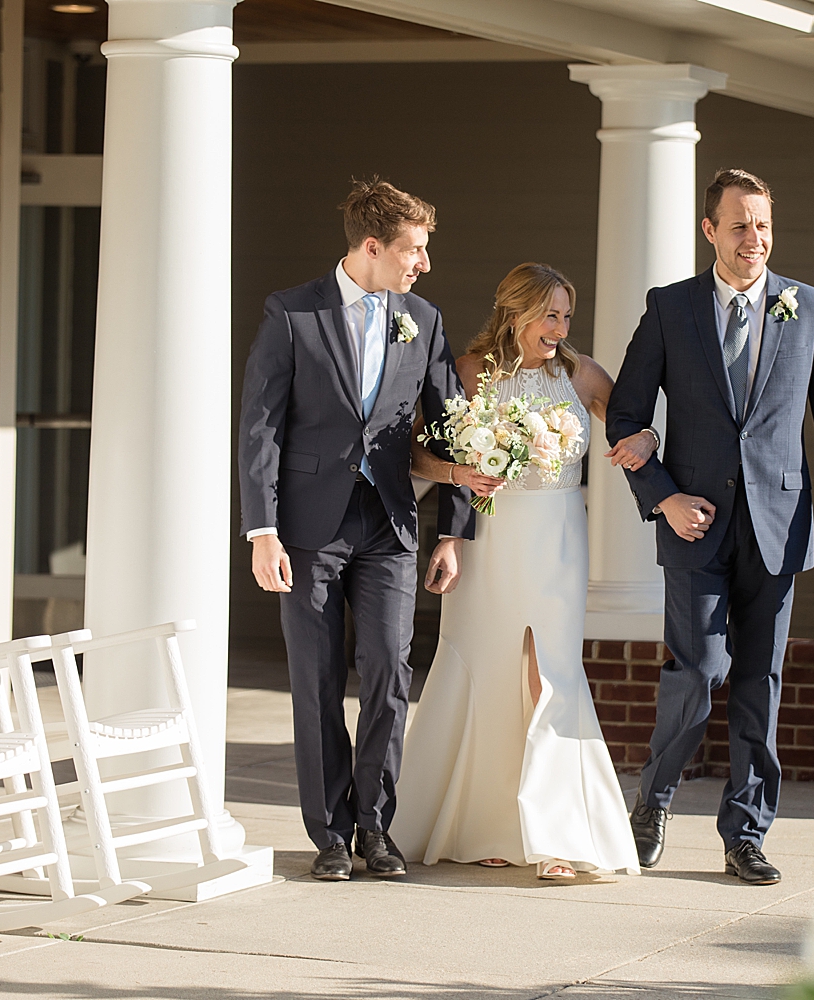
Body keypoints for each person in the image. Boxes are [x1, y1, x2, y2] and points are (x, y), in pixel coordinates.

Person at [605, 168, 814, 886]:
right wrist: (662, 497)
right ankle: (652, 803)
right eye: (740, 225)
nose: (754, 239)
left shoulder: (807, 307)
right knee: (699, 671)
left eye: (763, 225)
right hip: (694, 529)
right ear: (709, 231)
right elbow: (626, 417)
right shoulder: (670, 309)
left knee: (759, 682)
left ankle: (745, 834)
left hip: (778, 528)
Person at [236, 179, 500, 882]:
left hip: (389, 522)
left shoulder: (424, 319)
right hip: (306, 528)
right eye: (413, 249)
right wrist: (262, 530)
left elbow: (450, 427)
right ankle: (329, 833)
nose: (424, 263)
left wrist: (455, 531)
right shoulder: (292, 313)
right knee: (316, 681)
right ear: (372, 246)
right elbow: (260, 427)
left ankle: (376, 829)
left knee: (387, 670)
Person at [390, 263, 656, 880]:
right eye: (550, 315)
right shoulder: (468, 374)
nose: (560, 329)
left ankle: (557, 836)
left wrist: (642, 440)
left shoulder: (580, 373)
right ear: (515, 313)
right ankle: (488, 826)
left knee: (549, 674)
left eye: (567, 316)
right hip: (489, 541)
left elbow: (632, 421)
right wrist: (458, 489)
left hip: (558, 540)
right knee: (487, 669)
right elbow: (418, 452)